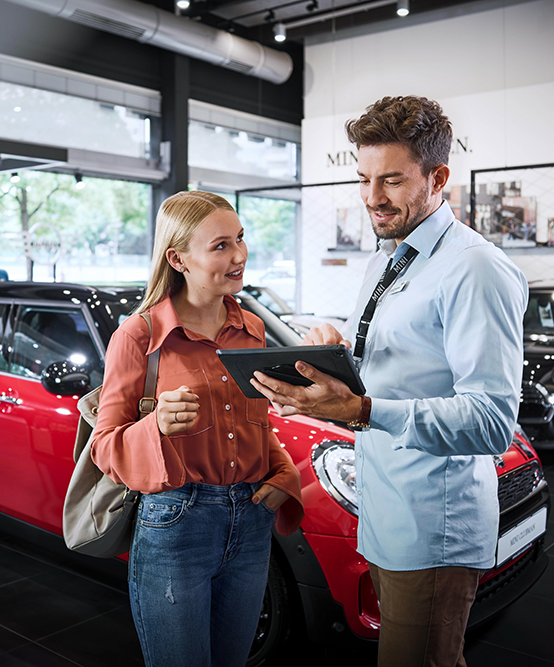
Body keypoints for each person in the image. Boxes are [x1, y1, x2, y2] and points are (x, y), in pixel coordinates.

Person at [250, 96, 527, 667]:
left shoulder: (474, 268)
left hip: (431, 525)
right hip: (384, 509)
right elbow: (405, 369)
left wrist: (359, 409)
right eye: (364, 178)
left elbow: (491, 422)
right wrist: (340, 356)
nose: (372, 197)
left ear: (438, 178)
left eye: (392, 181)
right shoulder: (390, 254)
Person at [91, 191, 303, 667]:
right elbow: (104, 446)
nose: (240, 255)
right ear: (178, 259)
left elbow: (256, 423)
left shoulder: (251, 329)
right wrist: (156, 426)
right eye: (221, 246)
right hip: (176, 525)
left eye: (240, 239)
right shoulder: (139, 335)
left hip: (251, 523)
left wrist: (282, 474)